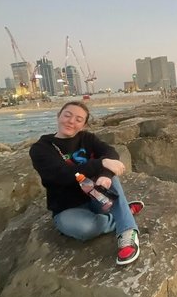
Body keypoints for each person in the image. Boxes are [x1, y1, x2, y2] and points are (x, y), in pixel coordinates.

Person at [29, 101, 142, 266]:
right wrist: (101, 163)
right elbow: (61, 175)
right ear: (58, 116)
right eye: (67, 115)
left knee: (111, 178)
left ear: (84, 125)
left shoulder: (87, 138)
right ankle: (123, 213)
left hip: (97, 198)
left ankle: (127, 232)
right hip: (67, 207)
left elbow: (110, 153)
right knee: (85, 230)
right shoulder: (41, 148)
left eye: (78, 119)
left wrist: (105, 174)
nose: (71, 121)